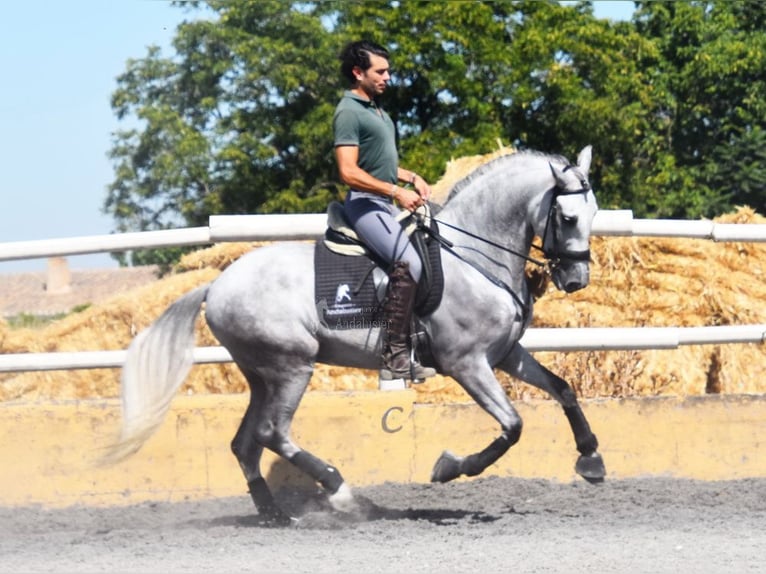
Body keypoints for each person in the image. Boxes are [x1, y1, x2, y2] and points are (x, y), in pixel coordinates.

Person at [333, 39, 435, 384]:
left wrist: (411, 176)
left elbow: (381, 164)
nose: (388, 77)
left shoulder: (377, 110)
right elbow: (348, 171)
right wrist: (396, 192)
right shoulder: (348, 111)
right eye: (381, 71)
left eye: (388, 70)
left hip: (384, 202)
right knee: (410, 264)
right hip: (365, 205)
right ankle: (394, 356)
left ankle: (420, 344)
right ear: (358, 72)